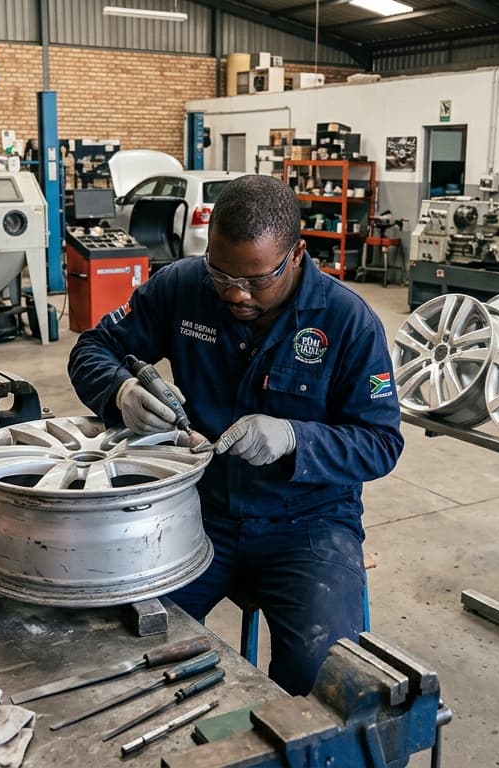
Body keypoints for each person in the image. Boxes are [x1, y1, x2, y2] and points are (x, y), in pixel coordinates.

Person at [67, 174, 403, 695]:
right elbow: (92, 348)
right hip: (200, 513)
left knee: (323, 679)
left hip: (309, 525)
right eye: (221, 274)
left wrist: (295, 439)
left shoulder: (348, 321)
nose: (236, 294)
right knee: (122, 644)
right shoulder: (183, 286)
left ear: (294, 255)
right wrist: (122, 393)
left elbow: (381, 443)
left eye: (254, 280)